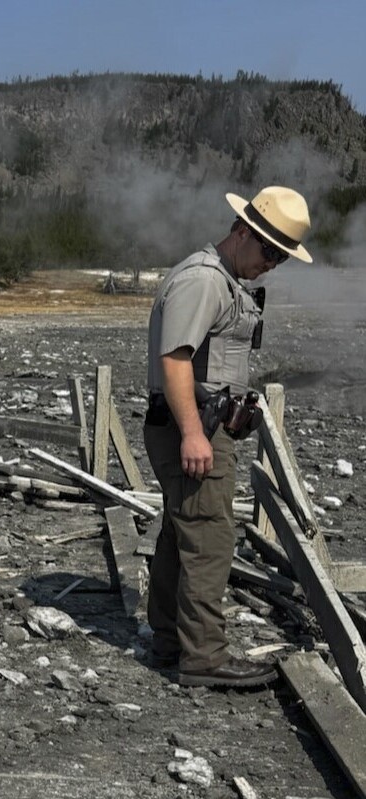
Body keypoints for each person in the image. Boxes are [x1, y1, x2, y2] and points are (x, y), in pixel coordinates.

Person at [144, 186, 313, 689]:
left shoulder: (224, 280)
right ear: (243, 231)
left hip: (199, 422)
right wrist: (194, 433)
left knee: (183, 532)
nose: (273, 263)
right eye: (269, 251)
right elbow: (174, 359)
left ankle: (171, 641)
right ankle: (204, 658)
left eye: (281, 257)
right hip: (192, 426)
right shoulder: (204, 280)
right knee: (210, 537)